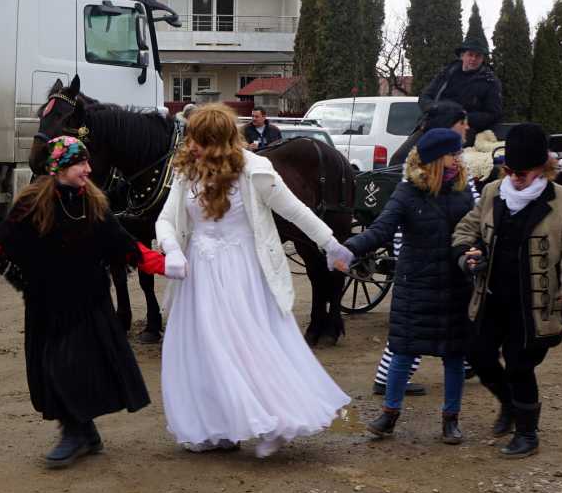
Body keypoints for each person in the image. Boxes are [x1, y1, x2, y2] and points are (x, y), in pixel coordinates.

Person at [0, 135, 165, 466]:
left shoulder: (94, 203)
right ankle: (83, 432)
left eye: (88, 162)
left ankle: (76, 433)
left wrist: (168, 266)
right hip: (47, 304)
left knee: (74, 368)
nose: (88, 169)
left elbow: (126, 247)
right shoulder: (32, 204)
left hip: (88, 303)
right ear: (60, 168)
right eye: (81, 163)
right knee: (53, 369)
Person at [154, 104, 351, 456]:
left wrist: (331, 244)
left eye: (198, 139)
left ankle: (274, 418)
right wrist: (172, 249)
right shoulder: (187, 173)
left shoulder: (255, 171)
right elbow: (166, 220)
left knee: (247, 347)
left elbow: (295, 210)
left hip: (242, 272)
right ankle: (216, 427)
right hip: (198, 275)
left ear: (216, 141)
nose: (190, 145)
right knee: (203, 351)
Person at [452, 123, 562, 458]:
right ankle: (510, 405)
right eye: (510, 170)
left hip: (534, 305)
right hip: (492, 295)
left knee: (519, 365)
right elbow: (466, 228)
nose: (515, 178)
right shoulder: (492, 192)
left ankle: (528, 433)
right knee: (479, 356)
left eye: (523, 173)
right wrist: (466, 254)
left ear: (542, 169)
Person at [344, 127, 474, 443]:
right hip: (415, 285)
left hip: (456, 284)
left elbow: (477, 231)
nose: (458, 160)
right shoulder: (406, 193)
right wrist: (348, 249)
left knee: (454, 357)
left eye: (458, 153)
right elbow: (380, 230)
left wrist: (476, 254)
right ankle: (389, 415)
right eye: (452, 154)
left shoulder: (463, 192)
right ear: (433, 160)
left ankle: (450, 419)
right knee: (403, 351)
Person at [372, 103, 473, 397]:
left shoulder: (450, 164)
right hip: (425, 257)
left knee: (420, 328)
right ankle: (386, 381)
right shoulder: (429, 167)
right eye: (462, 122)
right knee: (413, 331)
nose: (467, 127)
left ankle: (463, 363)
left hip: (441, 256)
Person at [417, 35, 503, 143]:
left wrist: (463, 117)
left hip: (464, 130)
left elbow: (494, 114)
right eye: (470, 54)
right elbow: (425, 96)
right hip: (433, 125)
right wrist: (434, 107)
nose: (473, 59)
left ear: (482, 59)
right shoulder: (446, 73)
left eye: (478, 56)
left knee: (445, 156)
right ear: (462, 55)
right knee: (400, 157)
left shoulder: (490, 82)